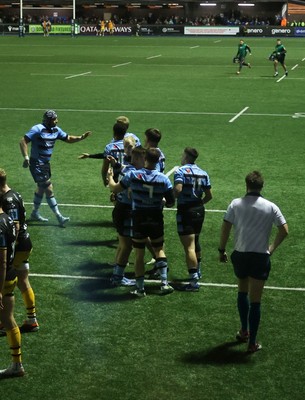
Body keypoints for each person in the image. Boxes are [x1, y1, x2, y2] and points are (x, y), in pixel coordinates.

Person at [218, 171, 288, 353]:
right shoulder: (271, 207)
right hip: (260, 257)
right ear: (261, 186)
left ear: (246, 185)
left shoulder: (235, 204)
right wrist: (271, 248)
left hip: (240, 255)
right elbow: (284, 230)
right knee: (255, 300)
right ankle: (252, 343)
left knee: (242, 291)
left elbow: (225, 227)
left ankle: (244, 331)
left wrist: (222, 249)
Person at [108, 148, 175, 297]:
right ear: (157, 161)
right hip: (156, 218)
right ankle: (164, 283)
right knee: (159, 249)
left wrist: (110, 178)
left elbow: (116, 188)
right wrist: (161, 200)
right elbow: (170, 202)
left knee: (139, 254)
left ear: (145, 159)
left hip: (138, 217)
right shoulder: (163, 179)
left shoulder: (133, 175)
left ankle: (140, 289)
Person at [20, 110, 92, 227]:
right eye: (54, 119)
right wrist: (26, 157)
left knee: (41, 188)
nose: (56, 121)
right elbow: (23, 141)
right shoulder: (37, 129)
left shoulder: (56, 130)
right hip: (37, 164)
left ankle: (34, 213)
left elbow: (68, 138)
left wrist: (81, 137)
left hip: (46, 164)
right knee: (48, 187)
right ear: (48, 120)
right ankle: (59, 216)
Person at [0, 169, 38, 336]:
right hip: (25, 242)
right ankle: (31, 319)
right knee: (23, 280)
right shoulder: (14, 194)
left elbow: (14, 227)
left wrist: (8, 251)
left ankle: (4, 321)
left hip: (19, 245)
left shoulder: (8, 201)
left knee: (5, 284)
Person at [173, 148, 212, 291]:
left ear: (186, 156)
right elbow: (209, 196)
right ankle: (198, 270)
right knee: (195, 240)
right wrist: (199, 204)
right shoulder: (203, 173)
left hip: (186, 210)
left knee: (189, 247)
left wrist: (169, 199)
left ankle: (194, 281)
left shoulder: (181, 171)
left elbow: (178, 189)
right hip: (199, 210)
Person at [110, 145, 146, 286]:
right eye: (144, 158)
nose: (146, 161)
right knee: (127, 246)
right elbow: (130, 192)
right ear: (137, 158)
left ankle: (116, 273)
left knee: (123, 244)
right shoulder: (133, 173)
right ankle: (118, 277)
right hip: (126, 210)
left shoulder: (126, 169)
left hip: (120, 208)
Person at [0, 195, 25, 378]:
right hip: (10, 273)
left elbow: (1, 261)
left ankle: (17, 365)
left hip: (3, 279)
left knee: (8, 319)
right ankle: (17, 364)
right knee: (8, 319)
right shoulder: (8, 218)